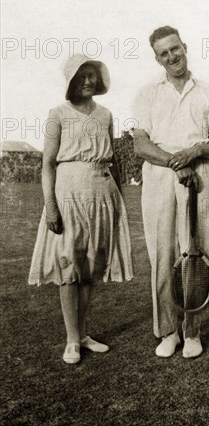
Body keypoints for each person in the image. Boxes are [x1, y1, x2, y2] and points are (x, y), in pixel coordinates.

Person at [29, 54, 133, 364]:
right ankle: (71, 340)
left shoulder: (105, 114)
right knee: (68, 267)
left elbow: (112, 161)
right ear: (71, 80)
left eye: (92, 75)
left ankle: (84, 334)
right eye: (81, 76)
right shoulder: (58, 113)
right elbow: (48, 164)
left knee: (90, 270)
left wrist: (118, 203)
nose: (88, 81)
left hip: (101, 194)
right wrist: (51, 207)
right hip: (68, 193)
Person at [133, 26, 209, 359]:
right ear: (157, 58)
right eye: (164, 53)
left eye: (175, 49)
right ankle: (168, 331)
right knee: (163, 253)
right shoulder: (147, 93)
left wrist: (192, 154)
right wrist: (176, 162)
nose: (172, 56)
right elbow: (141, 145)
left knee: (195, 254)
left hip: (199, 176)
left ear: (185, 47)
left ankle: (192, 331)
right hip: (160, 176)